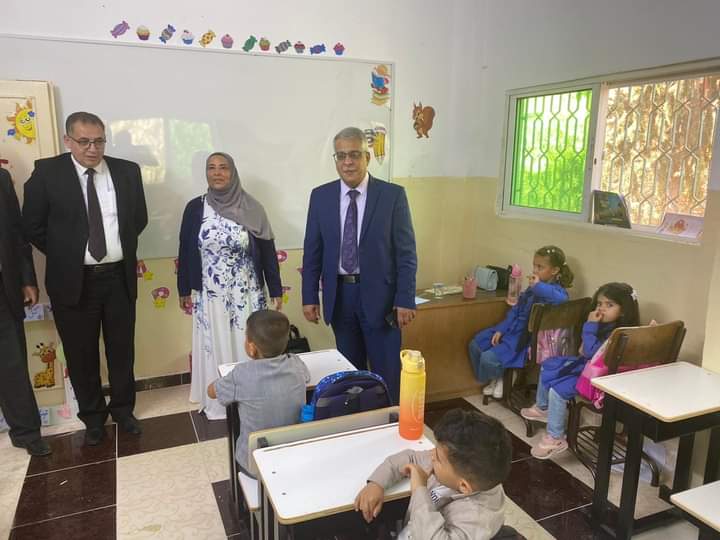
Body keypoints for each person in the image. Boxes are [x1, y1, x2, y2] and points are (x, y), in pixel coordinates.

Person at [22, 112, 148, 446]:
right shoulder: (47, 173)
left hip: (118, 278)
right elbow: (32, 225)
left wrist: (112, 248)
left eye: (99, 141)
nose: (93, 149)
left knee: (121, 350)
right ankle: (93, 418)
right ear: (68, 141)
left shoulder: (127, 171)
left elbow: (138, 219)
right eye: (84, 142)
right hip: (73, 281)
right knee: (81, 354)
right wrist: (68, 254)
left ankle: (123, 410)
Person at [302, 127, 417, 403]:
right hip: (340, 297)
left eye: (354, 154)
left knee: (386, 371)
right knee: (350, 373)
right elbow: (313, 251)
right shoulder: (321, 196)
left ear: (367, 157)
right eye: (341, 156)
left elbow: (406, 253)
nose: (348, 162)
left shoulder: (392, 196)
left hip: (382, 298)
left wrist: (405, 298)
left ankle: (389, 419)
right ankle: (357, 419)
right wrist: (309, 296)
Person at [178, 152, 282, 420]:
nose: (217, 173)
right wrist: (183, 289)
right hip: (210, 295)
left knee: (248, 342)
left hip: (246, 293)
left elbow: (267, 252)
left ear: (233, 172)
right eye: (211, 168)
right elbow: (185, 249)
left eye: (223, 167)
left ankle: (251, 399)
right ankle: (219, 402)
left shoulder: (252, 207)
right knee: (216, 343)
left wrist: (276, 289)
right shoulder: (195, 208)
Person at [521, 282, 639, 458]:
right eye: (599, 303)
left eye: (609, 305)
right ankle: (543, 408)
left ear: (623, 311)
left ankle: (555, 437)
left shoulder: (618, 334)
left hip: (598, 379)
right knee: (550, 364)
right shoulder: (606, 326)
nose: (602, 308)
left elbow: (591, 352)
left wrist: (590, 326)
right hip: (587, 368)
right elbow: (584, 351)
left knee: (557, 391)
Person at [354, 408, 512, 539]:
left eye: (437, 457)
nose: (431, 456)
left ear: (464, 486)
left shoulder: (478, 518)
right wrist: (376, 483)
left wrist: (419, 489)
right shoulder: (455, 464)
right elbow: (409, 458)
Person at [207, 309, 309, 473]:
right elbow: (307, 377)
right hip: (294, 455)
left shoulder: (241, 374)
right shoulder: (295, 363)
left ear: (251, 347)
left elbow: (211, 392)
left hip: (255, 463)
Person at [469, 245, 573, 399]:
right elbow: (516, 310)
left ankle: (502, 377)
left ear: (555, 270)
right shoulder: (532, 289)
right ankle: (496, 375)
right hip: (512, 328)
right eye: (534, 265)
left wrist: (538, 286)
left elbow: (562, 299)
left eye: (540, 267)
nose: (535, 270)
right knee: (476, 344)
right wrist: (501, 329)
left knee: (488, 358)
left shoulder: (556, 291)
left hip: (524, 337)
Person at [0, 168, 51, 456]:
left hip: (2, 288)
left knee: (12, 364)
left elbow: (17, 233)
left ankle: (26, 433)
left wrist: (27, 279)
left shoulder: (1, 179)